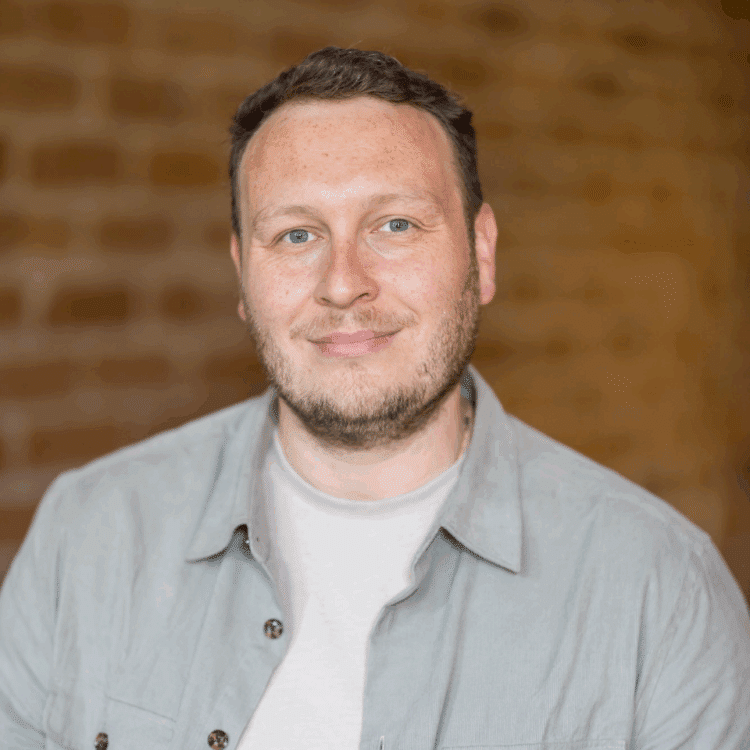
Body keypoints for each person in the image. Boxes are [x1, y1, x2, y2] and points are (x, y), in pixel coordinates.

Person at [1, 46, 748, 750]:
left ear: (481, 253)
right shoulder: (88, 535)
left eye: (395, 225)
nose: (342, 283)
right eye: (296, 235)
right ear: (242, 275)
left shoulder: (659, 594)